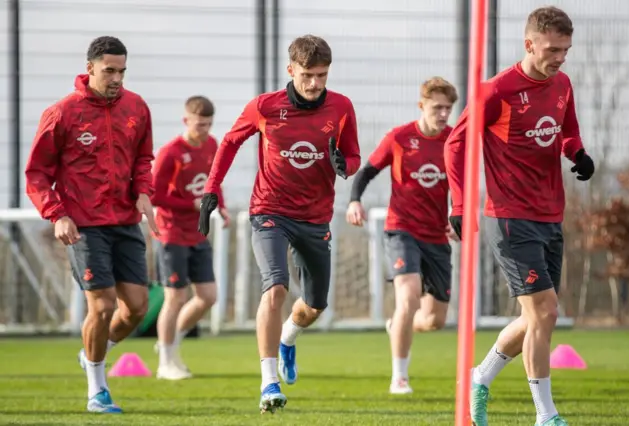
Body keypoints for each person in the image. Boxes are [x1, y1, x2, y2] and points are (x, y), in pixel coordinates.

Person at [445, 7, 595, 426]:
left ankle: (481, 376)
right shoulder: (497, 91)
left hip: (551, 214)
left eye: (566, 49)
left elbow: (567, 130)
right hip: (509, 216)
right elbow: (456, 145)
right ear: (529, 44)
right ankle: (546, 416)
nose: (561, 57)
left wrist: (577, 153)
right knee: (544, 313)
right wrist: (459, 205)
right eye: (552, 49)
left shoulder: (562, 84)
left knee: (537, 315)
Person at [198, 34, 361, 413]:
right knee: (275, 289)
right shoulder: (265, 107)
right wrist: (210, 191)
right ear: (291, 70)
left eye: (322, 75)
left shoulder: (341, 107)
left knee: (315, 305)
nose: (315, 84)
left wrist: (345, 166)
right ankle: (268, 382)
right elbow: (229, 143)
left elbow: (352, 156)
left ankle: (289, 336)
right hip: (269, 210)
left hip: (315, 217)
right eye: (307, 75)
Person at [25, 36, 158, 413]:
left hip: (125, 221)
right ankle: (97, 390)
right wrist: (57, 214)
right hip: (83, 224)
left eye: (122, 71)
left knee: (135, 308)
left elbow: (143, 159)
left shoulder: (137, 108)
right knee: (102, 307)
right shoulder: (63, 113)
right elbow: (36, 173)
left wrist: (144, 193)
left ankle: (93, 353)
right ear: (90, 69)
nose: (116, 78)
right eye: (109, 71)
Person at [346, 77, 459, 394]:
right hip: (402, 229)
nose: (443, 114)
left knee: (434, 321)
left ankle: (397, 325)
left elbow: (461, 184)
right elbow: (367, 171)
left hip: (436, 235)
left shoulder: (454, 141)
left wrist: (457, 216)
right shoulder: (399, 138)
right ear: (421, 105)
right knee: (408, 298)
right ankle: (399, 377)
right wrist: (355, 200)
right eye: (437, 107)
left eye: (448, 108)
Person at [150, 96, 230, 380]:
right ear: (186, 121)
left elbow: (213, 182)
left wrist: (220, 207)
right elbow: (154, 195)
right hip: (170, 232)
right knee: (175, 297)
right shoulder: (171, 152)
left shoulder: (211, 145)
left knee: (208, 296)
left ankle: (170, 347)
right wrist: (190, 205)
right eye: (199, 124)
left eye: (208, 124)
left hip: (197, 232)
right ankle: (164, 363)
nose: (204, 130)